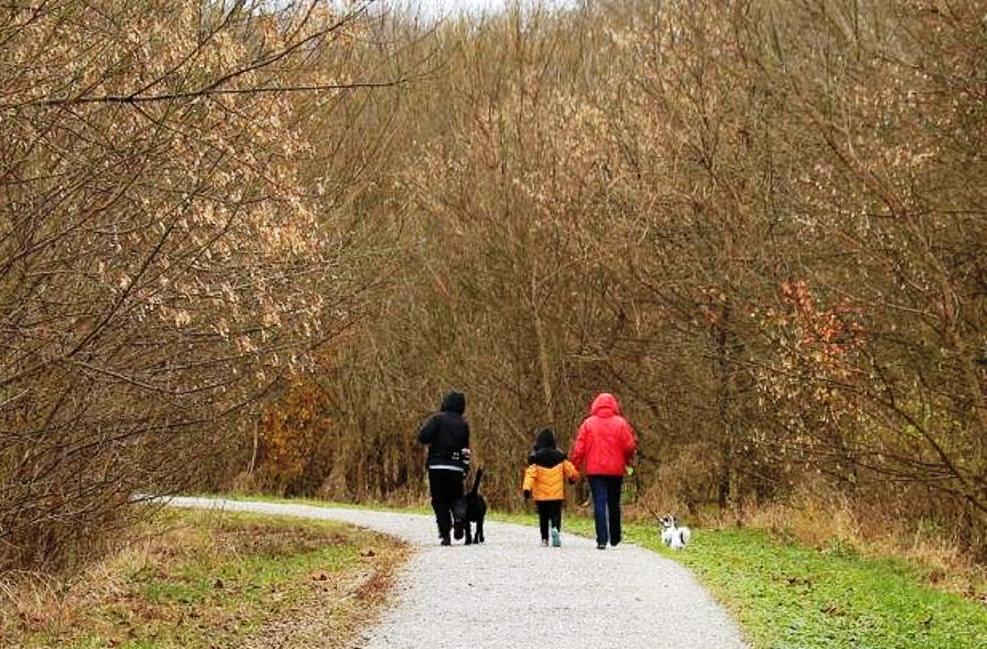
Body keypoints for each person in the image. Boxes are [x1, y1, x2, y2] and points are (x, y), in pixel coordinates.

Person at [569, 392, 636, 550]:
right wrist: (627, 460)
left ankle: (601, 539)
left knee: (599, 502)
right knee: (614, 502)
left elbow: (579, 449)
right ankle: (615, 536)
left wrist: (575, 468)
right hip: (615, 470)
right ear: (614, 405)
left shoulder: (588, 424)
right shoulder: (621, 423)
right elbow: (629, 446)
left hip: (595, 470)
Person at [417, 391, 471, 545]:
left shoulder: (437, 419)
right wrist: (465, 466)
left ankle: (445, 533)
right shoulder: (463, 424)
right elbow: (465, 449)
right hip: (456, 467)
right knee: (456, 497)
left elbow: (422, 437)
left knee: (439, 500)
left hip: (437, 465)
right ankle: (459, 517)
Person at [522, 428, 579, 547]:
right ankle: (555, 529)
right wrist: (572, 478)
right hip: (556, 495)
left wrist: (527, 489)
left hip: (541, 496)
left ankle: (544, 539)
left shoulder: (535, 459)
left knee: (543, 517)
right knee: (555, 514)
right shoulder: (560, 457)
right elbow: (571, 471)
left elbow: (530, 475)